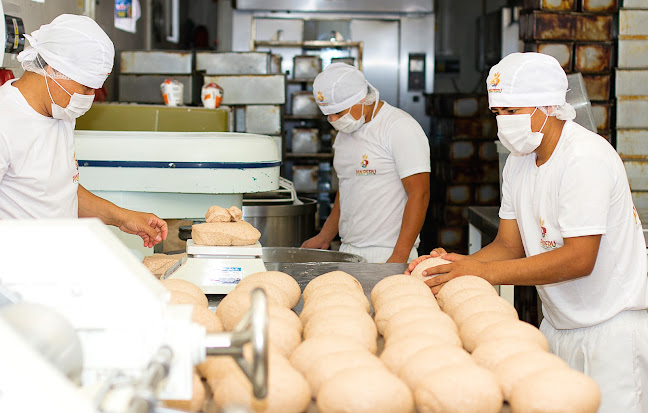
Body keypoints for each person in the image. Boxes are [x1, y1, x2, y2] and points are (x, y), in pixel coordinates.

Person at [408, 52, 648, 412]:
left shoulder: (585, 158)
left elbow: (579, 259)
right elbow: (508, 244)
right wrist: (459, 266)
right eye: (498, 113)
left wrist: (479, 272)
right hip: (556, 325)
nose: (503, 123)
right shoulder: (519, 162)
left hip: (610, 332)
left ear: (548, 107)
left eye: (512, 112)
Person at [0, 14, 167, 248]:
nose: (89, 98)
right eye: (86, 87)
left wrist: (123, 217)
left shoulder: (61, 111)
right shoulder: (5, 122)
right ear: (54, 68)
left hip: (60, 269)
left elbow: (59, 191)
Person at [301, 63, 430, 263]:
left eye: (339, 112)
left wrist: (399, 256)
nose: (333, 120)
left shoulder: (399, 127)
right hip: (349, 250)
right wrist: (325, 236)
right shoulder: (344, 134)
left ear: (362, 98)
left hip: (389, 252)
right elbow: (347, 188)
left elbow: (419, 194)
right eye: (328, 114)